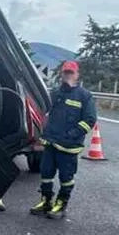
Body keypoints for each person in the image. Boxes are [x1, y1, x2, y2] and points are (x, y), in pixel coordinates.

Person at [29, 60, 97, 219]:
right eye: (65, 72)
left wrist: (72, 134)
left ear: (77, 75)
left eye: (71, 73)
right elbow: (42, 109)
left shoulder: (85, 96)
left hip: (68, 146)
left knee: (66, 178)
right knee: (46, 174)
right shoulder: (55, 93)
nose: (67, 76)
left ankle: (61, 204)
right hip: (51, 143)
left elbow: (90, 120)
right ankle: (46, 201)